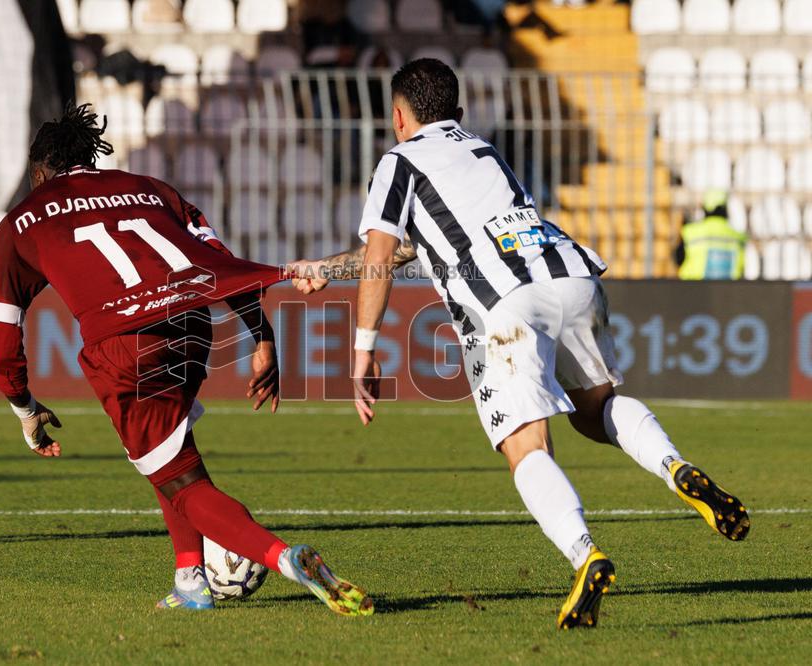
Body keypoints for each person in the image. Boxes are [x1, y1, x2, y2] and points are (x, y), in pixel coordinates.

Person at [288, 60, 749, 629]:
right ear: (457, 112)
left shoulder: (398, 160)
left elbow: (384, 254)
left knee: (525, 444)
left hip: (503, 304)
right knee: (596, 410)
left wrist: (363, 351)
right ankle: (674, 465)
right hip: (570, 275)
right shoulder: (483, 151)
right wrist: (329, 268)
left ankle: (586, 555)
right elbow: (418, 246)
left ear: (399, 118)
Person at [0, 103, 373, 616]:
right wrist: (260, 334)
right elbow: (219, 263)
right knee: (173, 454)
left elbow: (1, 335)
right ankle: (190, 580)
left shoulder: (20, 222)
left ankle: (283, 557)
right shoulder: (150, 189)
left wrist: (24, 408)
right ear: (90, 159)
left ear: (39, 173)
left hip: (125, 343)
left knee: (184, 485)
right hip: (191, 326)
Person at [675, 189, 747, 280]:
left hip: (692, 286)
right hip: (728, 288)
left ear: (705, 209)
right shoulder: (738, 237)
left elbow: (678, 259)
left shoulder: (690, 233)